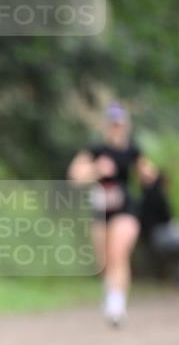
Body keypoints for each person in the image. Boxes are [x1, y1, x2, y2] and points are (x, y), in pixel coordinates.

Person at [67, 102, 157, 326]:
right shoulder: (95, 150)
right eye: (112, 124)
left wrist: (148, 175)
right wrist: (97, 169)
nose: (116, 128)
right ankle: (111, 294)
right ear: (106, 126)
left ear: (126, 126)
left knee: (118, 253)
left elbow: (148, 173)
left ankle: (116, 305)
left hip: (125, 209)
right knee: (105, 262)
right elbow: (75, 177)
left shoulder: (133, 151)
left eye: (119, 124)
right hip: (101, 211)